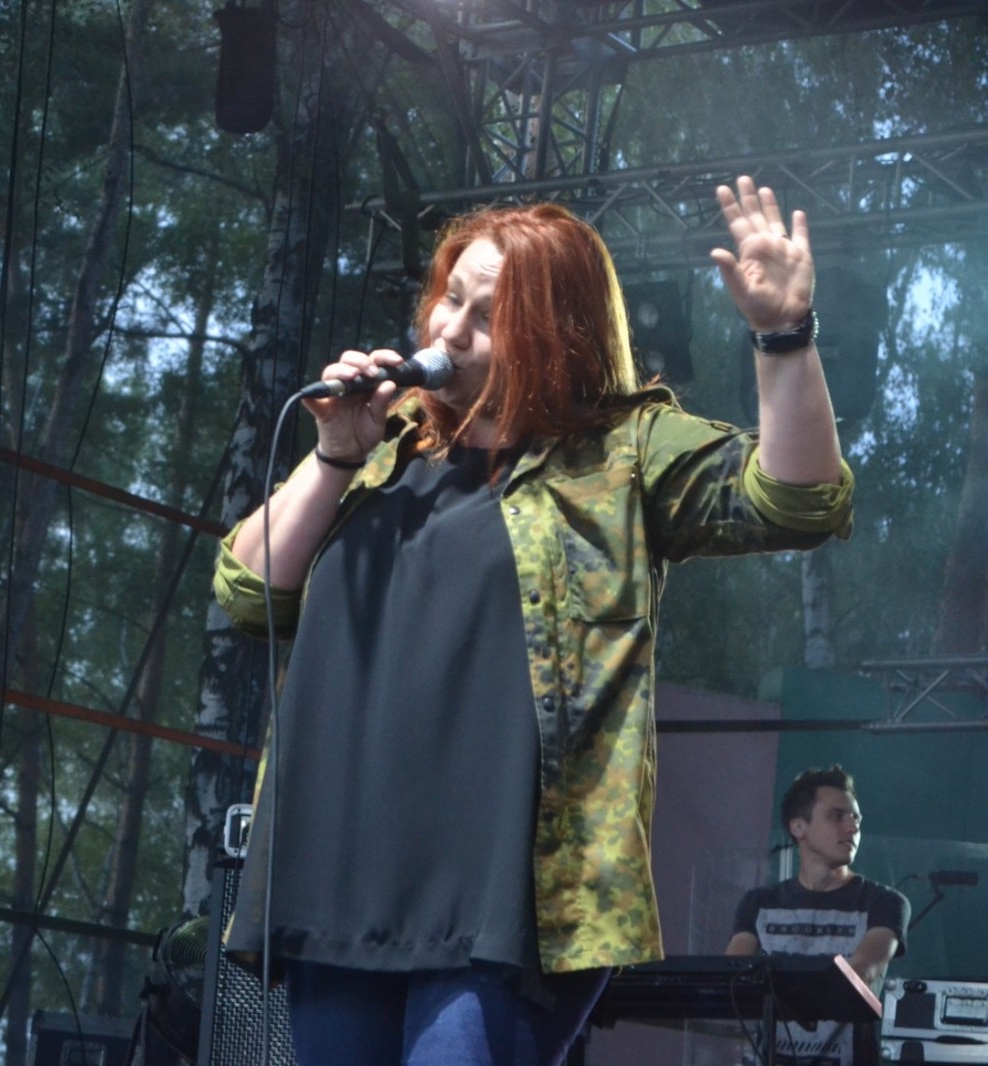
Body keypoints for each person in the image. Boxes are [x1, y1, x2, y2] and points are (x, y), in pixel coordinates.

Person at [212, 176, 855, 1066]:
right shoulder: (384, 439)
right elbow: (248, 593)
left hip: (508, 896)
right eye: (449, 299)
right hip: (342, 871)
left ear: (557, 337)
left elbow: (799, 502)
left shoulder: (620, 452)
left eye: (487, 317)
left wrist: (784, 337)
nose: (448, 330)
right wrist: (332, 455)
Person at [726, 766, 909, 1065]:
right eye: (837, 816)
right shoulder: (758, 903)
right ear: (799, 827)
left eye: (856, 819)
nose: (852, 828)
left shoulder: (885, 902)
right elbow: (731, 977)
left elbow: (861, 974)